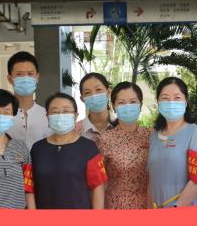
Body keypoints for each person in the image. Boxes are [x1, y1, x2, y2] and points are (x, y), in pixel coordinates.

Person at [26, 93, 107, 209]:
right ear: (47, 116)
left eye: (66, 111)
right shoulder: (37, 148)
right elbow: (29, 185)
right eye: (54, 112)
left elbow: (97, 186)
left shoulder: (89, 148)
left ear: (75, 116)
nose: (60, 116)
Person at [147, 77, 197, 208]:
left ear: (186, 101)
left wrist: (177, 207)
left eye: (177, 97)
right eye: (165, 98)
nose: (171, 102)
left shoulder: (196, 133)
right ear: (158, 102)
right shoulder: (153, 135)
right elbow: (151, 178)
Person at [96, 81, 150, 209]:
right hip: (115, 207)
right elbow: (98, 182)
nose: (128, 106)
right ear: (114, 106)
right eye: (121, 102)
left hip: (149, 205)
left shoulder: (151, 136)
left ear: (140, 105)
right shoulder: (104, 139)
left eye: (133, 102)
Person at [6, 51, 50, 147]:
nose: (25, 78)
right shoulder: (0, 116)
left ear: (37, 77)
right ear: (10, 79)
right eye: (19, 74)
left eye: (30, 74)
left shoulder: (47, 116)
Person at [77, 72, 113, 142]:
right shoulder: (75, 130)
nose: (93, 95)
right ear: (82, 99)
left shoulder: (123, 126)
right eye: (87, 92)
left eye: (98, 89)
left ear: (108, 92)